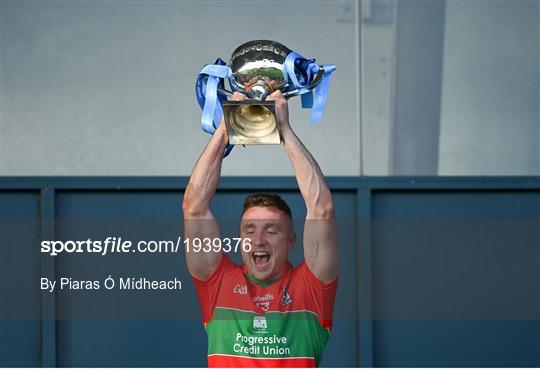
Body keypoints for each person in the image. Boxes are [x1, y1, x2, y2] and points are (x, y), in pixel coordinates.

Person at [183, 90, 338, 368]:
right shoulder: (217, 283)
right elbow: (194, 207)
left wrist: (285, 130)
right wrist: (224, 129)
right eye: (250, 230)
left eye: (272, 230)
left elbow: (321, 208)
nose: (259, 240)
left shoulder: (312, 287)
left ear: (291, 240)